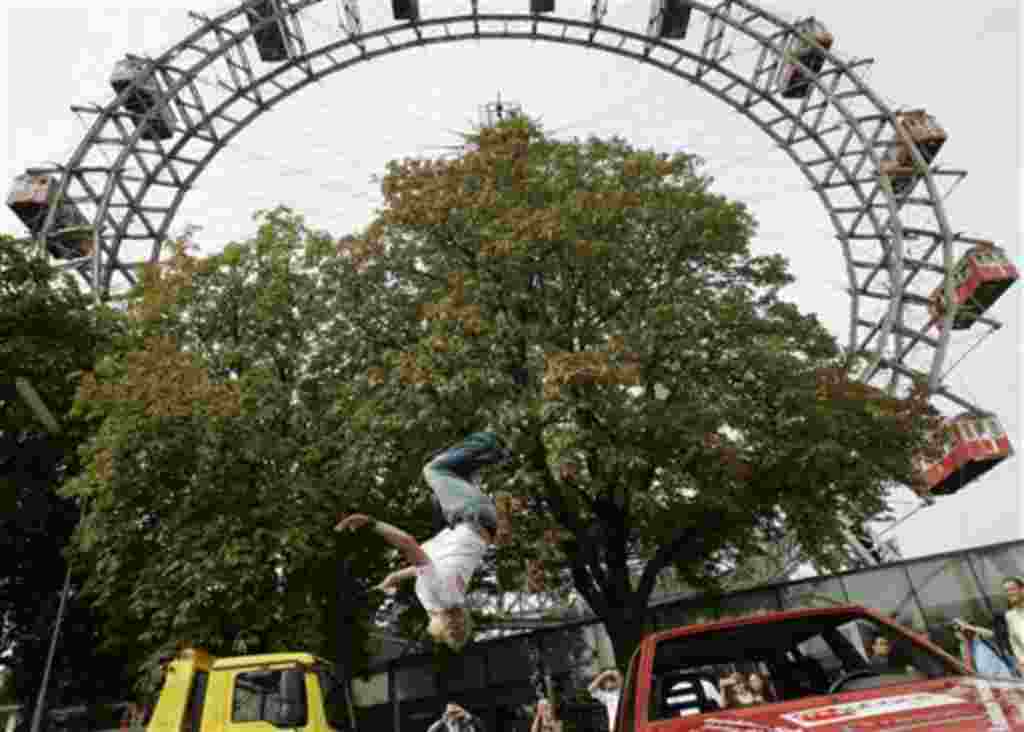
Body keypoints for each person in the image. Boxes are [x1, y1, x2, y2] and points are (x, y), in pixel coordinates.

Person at [335, 431, 512, 652]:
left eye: (452, 628)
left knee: (450, 477)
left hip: (474, 521)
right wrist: (370, 523)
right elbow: (408, 544)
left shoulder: (447, 600)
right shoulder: (441, 596)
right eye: (457, 626)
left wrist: (394, 577)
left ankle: (482, 462)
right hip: (471, 514)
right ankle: (493, 447)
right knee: (433, 470)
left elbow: (426, 570)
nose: (454, 623)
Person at [952, 575, 1024, 678]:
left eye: (1012, 589)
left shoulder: (981, 638)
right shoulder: (1010, 616)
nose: (1009, 593)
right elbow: (1016, 644)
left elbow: (991, 634)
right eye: (1006, 591)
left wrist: (969, 627)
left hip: (1002, 673)